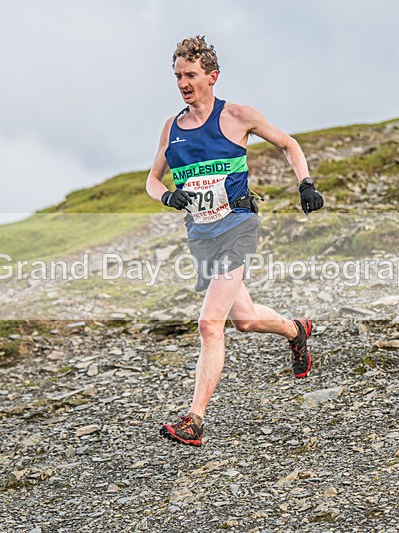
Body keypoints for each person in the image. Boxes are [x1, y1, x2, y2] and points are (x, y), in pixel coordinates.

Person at [145, 36, 324, 446]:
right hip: (201, 235)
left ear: (212, 76)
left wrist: (306, 184)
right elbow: (152, 181)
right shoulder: (171, 129)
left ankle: (194, 420)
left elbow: (288, 144)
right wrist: (169, 195)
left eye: (190, 75)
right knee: (243, 320)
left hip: (238, 226)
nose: (183, 83)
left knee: (210, 323)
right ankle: (296, 330)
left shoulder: (239, 116)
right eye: (177, 76)